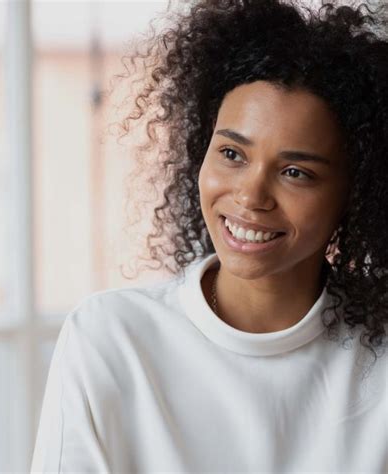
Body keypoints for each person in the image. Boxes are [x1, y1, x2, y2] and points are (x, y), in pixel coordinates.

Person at [31, 0, 388, 472]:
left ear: (356, 191)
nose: (251, 195)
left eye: (296, 171)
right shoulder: (112, 338)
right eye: (232, 154)